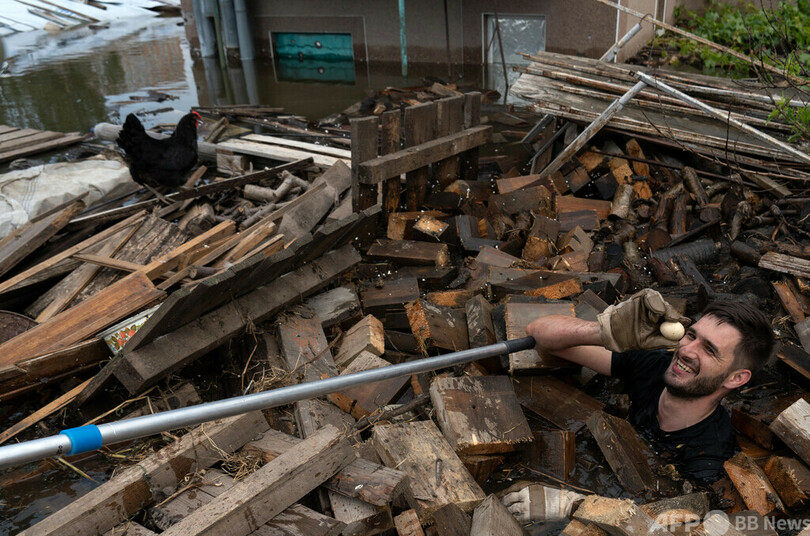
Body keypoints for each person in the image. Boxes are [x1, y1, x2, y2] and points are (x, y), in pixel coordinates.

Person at [525, 289, 775, 483]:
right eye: (691, 335)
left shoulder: (708, 458)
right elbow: (537, 333)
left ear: (736, 378)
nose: (686, 351)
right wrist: (605, 332)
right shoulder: (654, 365)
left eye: (709, 349)